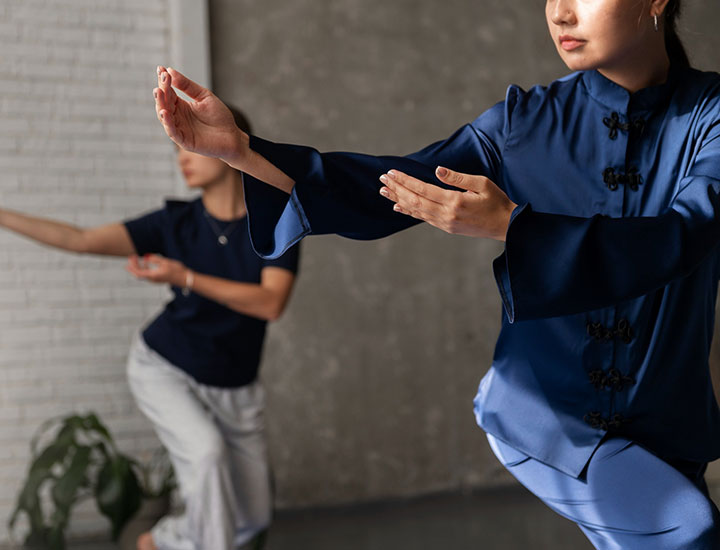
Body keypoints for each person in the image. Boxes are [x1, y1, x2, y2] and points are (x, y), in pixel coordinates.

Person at [150, 0, 720, 548]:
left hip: (669, 423)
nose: (559, 12)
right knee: (689, 531)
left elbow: (688, 233)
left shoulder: (711, 116)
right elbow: (388, 185)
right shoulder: (523, 122)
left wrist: (514, 227)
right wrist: (242, 151)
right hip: (545, 416)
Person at [0, 107, 300, 550]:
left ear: (230, 142)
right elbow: (81, 240)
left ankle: (162, 540)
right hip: (165, 368)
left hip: (235, 384)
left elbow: (270, 303)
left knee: (251, 516)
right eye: (176, 148)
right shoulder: (174, 223)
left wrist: (185, 278)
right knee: (206, 455)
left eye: (190, 145)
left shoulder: (277, 220)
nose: (181, 157)